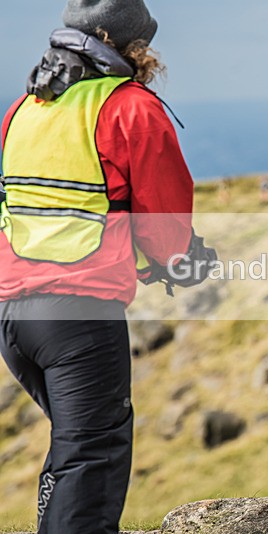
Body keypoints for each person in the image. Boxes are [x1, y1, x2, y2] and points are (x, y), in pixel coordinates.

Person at [0, 1, 216, 532]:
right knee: (93, 456)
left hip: (12, 316)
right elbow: (165, 223)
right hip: (79, 320)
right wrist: (182, 262)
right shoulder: (130, 107)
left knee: (75, 448)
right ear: (130, 46)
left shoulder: (24, 108)